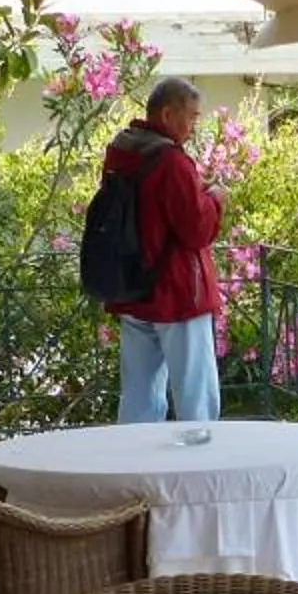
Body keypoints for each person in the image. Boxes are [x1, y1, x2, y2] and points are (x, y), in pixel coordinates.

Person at [102, 77, 223, 424]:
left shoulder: (123, 151)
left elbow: (147, 209)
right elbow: (196, 229)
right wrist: (214, 200)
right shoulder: (170, 161)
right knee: (195, 396)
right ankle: (200, 470)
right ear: (168, 114)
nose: (194, 126)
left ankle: (136, 470)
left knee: (140, 395)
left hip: (134, 286)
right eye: (193, 117)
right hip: (177, 293)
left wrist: (193, 188)